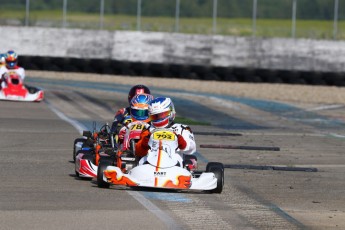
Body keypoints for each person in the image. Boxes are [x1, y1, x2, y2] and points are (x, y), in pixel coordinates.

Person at [135, 97, 197, 170]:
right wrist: (143, 145)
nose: (158, 118)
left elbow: (192, 149)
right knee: (143, 160)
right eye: (155, 116)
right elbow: (138, 151)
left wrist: (182, 143)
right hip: (150, 166)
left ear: (170, 112)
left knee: (179, 158)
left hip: (174, 166)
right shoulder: (148, 130)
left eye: (161, 115)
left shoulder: (182, 129)